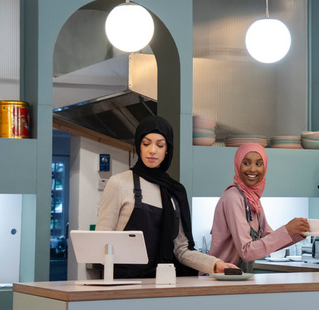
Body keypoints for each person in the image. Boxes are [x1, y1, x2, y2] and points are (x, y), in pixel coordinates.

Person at [96, 115, 237, 277]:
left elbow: (182, 251)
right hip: (123, 285)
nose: (152, 150)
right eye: (146, 143)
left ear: (167, 149)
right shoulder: (119, 183)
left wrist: (215, 264)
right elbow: (101, 244)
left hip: (162, 283)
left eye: (160, 145)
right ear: (138, 146)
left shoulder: (174, 192)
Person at [209, 143, 309, 272]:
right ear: (237, 165)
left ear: (265, 167)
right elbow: (246, 252)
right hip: (219, 278)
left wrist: (297, 233)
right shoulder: (232, 198)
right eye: (246, 163)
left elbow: (268, 239)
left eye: (258, 164)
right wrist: (287, 229)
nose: (252, 169)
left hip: (237, 277)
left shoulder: (253, 200)